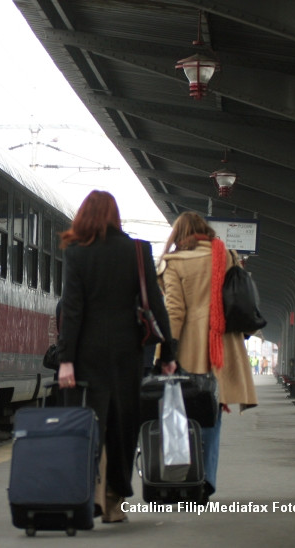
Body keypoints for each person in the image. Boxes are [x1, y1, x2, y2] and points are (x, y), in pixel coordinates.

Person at [56, 190, 177, 523]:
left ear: (83, 216)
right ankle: (114, 501)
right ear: (115, 215)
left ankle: (87, 494)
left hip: (86, 354)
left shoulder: (77, 254)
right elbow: (155, 305)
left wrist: (66, 360)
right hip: (128, 353)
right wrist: (168, 353)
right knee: (123, 425)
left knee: (88, 423)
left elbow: (72, 309)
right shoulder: (138, 251)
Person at [157, 211, 258, 503]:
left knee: (181, 414)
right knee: (210, 415)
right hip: (222, 348)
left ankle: (182, 479)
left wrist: (166, 352)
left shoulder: (174, 263)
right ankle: (205, 482)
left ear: (179, 235)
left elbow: (174, 311)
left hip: (189, 349)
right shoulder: (226, 255)